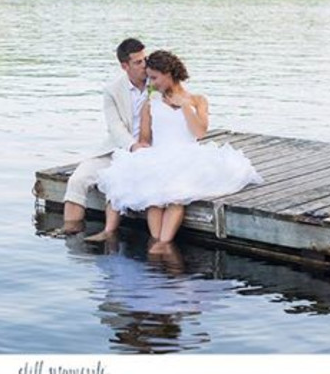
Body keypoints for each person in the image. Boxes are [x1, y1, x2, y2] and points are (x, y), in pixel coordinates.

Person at [90, 50, 263, 252]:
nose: (152, 84)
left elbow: (199, 132)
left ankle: (164, 243)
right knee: (153, 198)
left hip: (187, 155)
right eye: (149, 78)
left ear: (169, 73)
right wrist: (143, 154)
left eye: (154, 78)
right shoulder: (150, 103)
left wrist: (184, 107)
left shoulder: (197, 100)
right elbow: (145, 139)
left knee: (176, 195)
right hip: (160, 153)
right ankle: (157, 242)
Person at [54, 37, 150, 235]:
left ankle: (109, 234)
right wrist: (132, 146)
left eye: (145, 59)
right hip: (118, 147)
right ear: (125, 66)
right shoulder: (112, 90)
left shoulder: (157, 82)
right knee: (77, 179)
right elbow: (115, 127)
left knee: (116, 181)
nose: (145, 65)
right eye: (138, 62)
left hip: (150, 150)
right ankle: (70, 230)